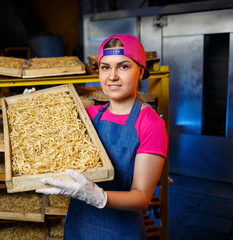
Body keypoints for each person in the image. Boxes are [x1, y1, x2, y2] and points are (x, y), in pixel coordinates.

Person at [36, 34, 168, 240]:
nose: (112, 76)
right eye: (105, 67)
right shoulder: (90, 115)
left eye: (123, 66)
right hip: (77, 227)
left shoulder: (151, 124)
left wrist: (100, 196)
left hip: (121, 232)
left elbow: (142, 197)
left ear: (141, 71)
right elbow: (54, 146)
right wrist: (34, 107)